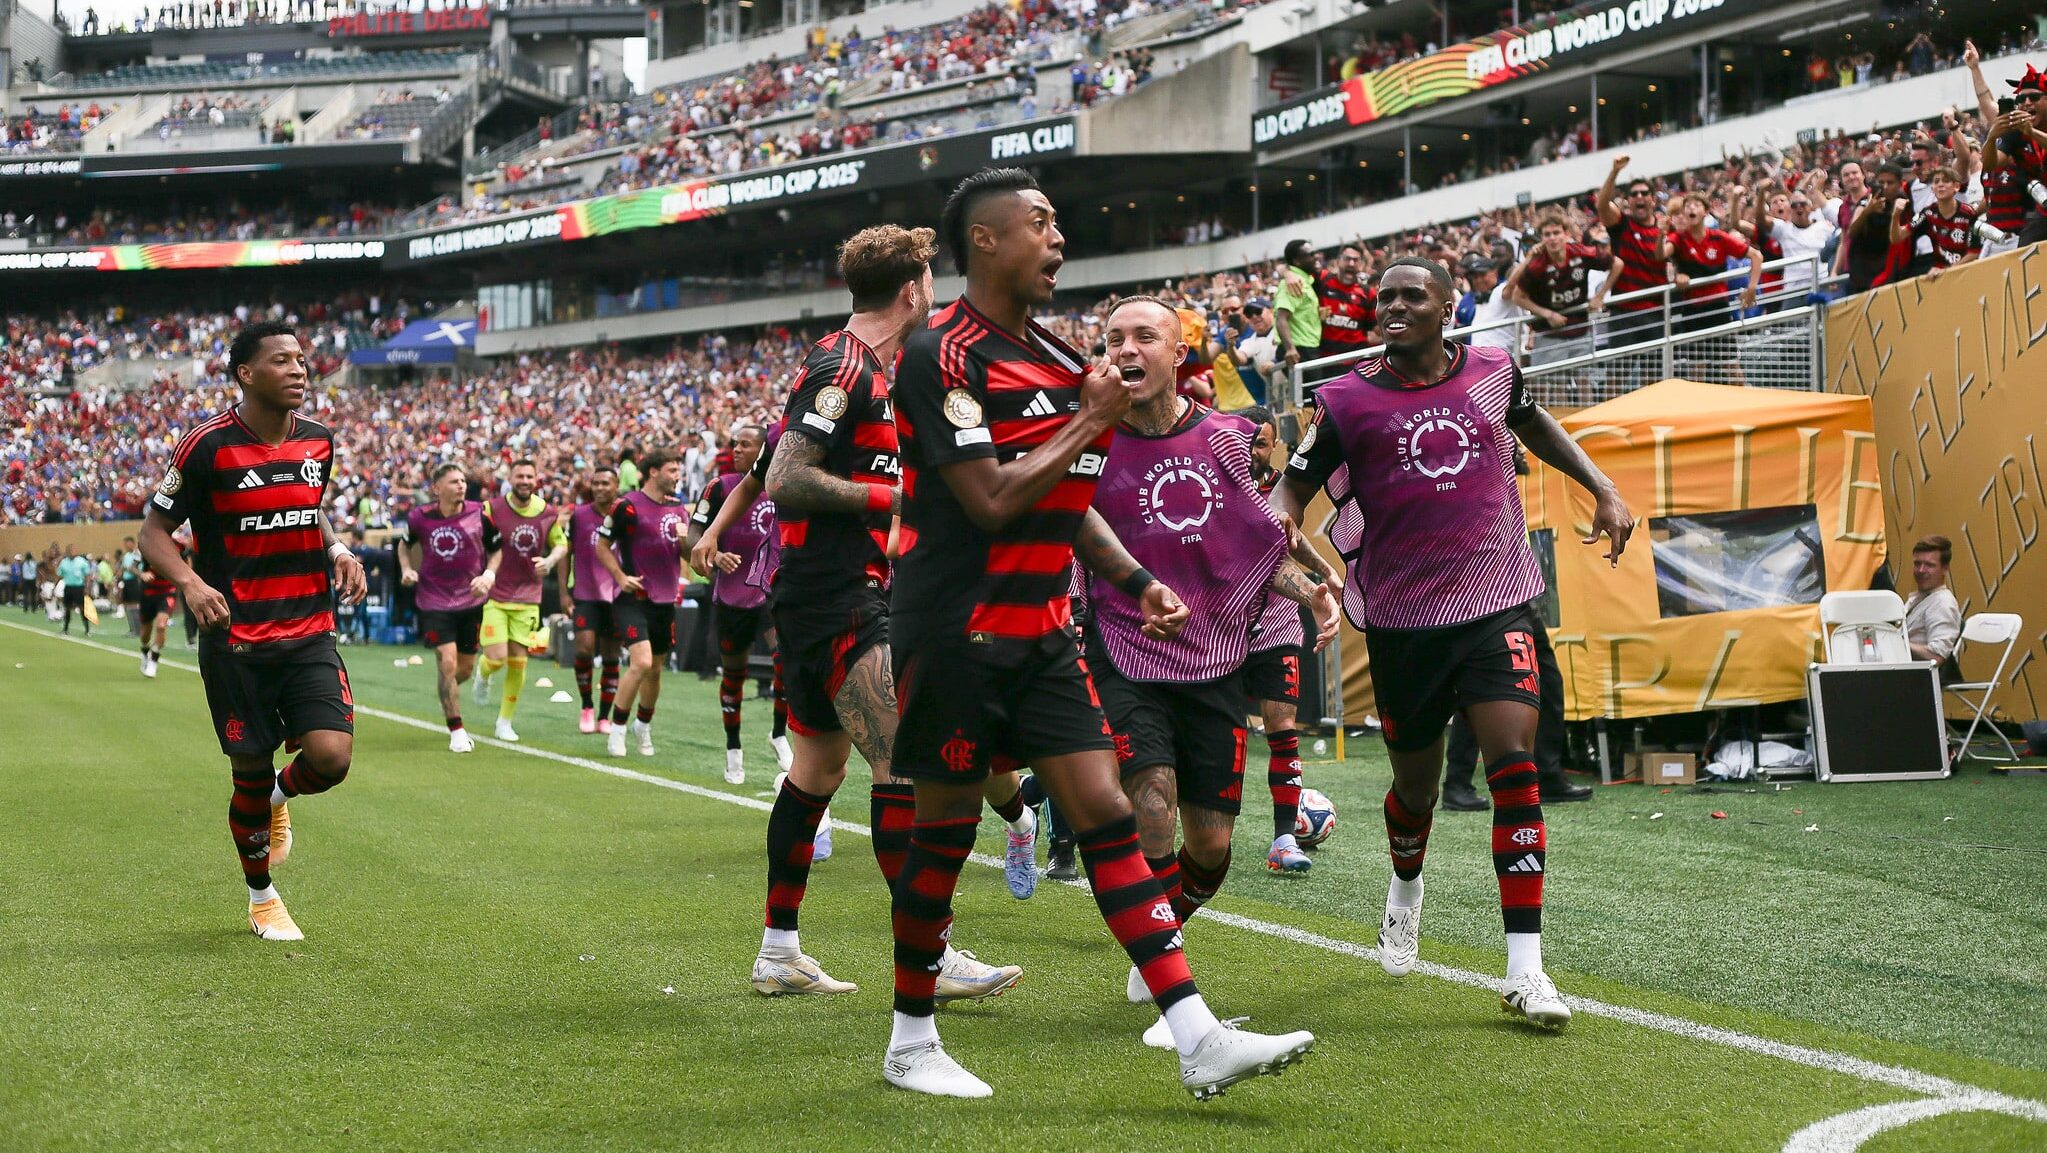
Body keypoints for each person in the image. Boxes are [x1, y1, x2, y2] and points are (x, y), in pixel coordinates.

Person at [885, 167, 1313, 1099]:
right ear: (986, 241)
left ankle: (1195, 1034)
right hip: (956, 631)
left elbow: (1064, 494)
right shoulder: (938, 355)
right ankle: (910, 1041)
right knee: (945, 834)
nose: (1058, 241)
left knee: (1113, 819)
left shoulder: (1048, 352)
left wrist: (1135, 577)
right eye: (1039, 225)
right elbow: (994, 497)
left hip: (1044, 631)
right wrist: (1089, 418)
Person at [1272, 256, 1635, 1029]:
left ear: (1447, 308)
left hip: (1495, 607)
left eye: (1412, 296)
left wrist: (1600, 486)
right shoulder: (1343, 400)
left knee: (1515, 771)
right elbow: (1292, 487)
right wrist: (1276, 526)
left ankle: (1525, 970)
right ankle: (1405, 890)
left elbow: (1533, 423)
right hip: (1404, 625)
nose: (1393, 307)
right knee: (1415, 793)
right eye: (1384, 298)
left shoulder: (1493, 372)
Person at [694, 225, 1027, 1005]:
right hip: (840, 594)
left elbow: (781, 466)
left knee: (816, 771)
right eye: (931, 283)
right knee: (901, 768)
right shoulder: (841, 365)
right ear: (911, 289)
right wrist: (894, 497)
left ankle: (778, 949)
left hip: (820, 594)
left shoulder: (869, 369)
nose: (936, 296)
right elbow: (785, 476)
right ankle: (931, 954)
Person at [1083, 295, 1340, 1051]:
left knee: (1211, 847)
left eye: (1143, 336)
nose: (1125, 348)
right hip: (1123, 650)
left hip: (1214, 659)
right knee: (1152, 805)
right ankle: (1177, 997)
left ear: (1177, 352)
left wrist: (1317, 590)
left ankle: (1157, 937)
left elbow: (1260, 551)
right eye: (1112, 339)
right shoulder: (1085, 441)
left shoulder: (1231, 438)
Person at [137, 318, 369, 942]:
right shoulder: (205, 446)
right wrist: (189, 582)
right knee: (246, 766)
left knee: (332, 757)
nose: (299, 369)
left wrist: (339, 547)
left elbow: (308, 507)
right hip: (236, 641)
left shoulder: (319, 442)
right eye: (283, 360)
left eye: (302, 358)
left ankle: (276, 796)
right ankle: (263, 896)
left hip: (309, 629)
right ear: (246, 373)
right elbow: (153, 533)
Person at [1235, 404, 1318, 872]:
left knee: (1282, 729)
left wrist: (1324, 578)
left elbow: (1288, 547)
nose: (1253, 451)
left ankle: (1284, 839)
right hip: (1219, 630)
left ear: (1275, 447)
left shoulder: (1288, 491)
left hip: (1279, 627)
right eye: (1246, 441)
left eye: (1262, 443)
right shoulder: (1214, 482)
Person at [686, 423, 791, 783]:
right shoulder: (720, 488)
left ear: (765, 449)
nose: (737, 450)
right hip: (732, 595)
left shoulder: (783, 483)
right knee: (734, 675)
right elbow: (693, 536)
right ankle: (734, 748)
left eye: (746, 445)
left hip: (771, 592)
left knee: (786, 663)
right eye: (735, 444)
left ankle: (779, 734)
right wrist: (713, 555)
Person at [398, 463, 499, 754]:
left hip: (471, 600)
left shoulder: (479, 513)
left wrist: (488, 576)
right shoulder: (420, 517)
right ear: (437, 488)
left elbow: (497, 549)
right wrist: (406, 569)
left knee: (463, 669)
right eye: (454, 481)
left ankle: (447, 691)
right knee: (447, 661)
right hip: (434, 600)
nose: (461, 486)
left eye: (462, 481)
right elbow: (405, 545)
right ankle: (457, 729)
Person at [595, 450, 689, 758]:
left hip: (665, 602)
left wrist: (686, 539)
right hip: (633, 598)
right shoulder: (627, 506)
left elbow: (689, 557)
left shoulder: (679, 509)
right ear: (652, 472)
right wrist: (620, 576)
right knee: (641, 662)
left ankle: (643, 726)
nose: (678, 475)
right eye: (672, 470)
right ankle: (617, 730)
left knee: (655, 671)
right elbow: (602, 544)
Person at [473, 459, 566, 743]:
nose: (525, 480)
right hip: (497, 595)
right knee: (497, 658)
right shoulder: (493, 509)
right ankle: (484, 673)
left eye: (529, 476)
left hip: (528, 597)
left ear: (536, 479)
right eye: (520, 476)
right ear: (510, 479)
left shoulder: (548, 513)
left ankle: (504, 721)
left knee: (518, 662)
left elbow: (561, 543)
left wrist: (549, 561)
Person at [560, 466, 625, 734]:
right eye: (596, 483)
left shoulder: (625, 513)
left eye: (605, 483)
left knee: (611, 655)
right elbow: (565, 553)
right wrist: (563, 591)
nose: (600, 488)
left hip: (617, 595)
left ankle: (604, 716)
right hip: (585, 593)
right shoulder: (579, 515)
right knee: (585, 648)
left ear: (616, 486)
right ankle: (586, 706)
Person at [1508, 213, 1618, 366]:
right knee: (1553, 387)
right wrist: (1548, 314)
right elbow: (1517, 297)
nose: (1552, 238)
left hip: (1580, 330)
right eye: (1547, 234)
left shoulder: (1580, 252)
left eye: (1556, 233)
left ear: (1566, 234)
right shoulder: (1536, 265)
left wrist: (1600, 296)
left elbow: (1617, 264)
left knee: (1584, 381)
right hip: (1549, 335)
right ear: (1542, 238)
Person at [1595, 156, 1671, 348]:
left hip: (1656, 310)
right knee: (1617, 374)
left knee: (1654, 374)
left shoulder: (1665, 229)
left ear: (1653, 200)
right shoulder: (1622, 224)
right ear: (1628, 200)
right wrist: (1614, 172)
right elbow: (1602, 205)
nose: (1639, 197)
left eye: (1644, 193)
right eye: (1634, 194)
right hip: (1623, 310)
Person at [1892, 165, 1982, 280]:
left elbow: (1974, 252)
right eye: (1936, 181)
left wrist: (1948, 271)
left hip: (1967, 272)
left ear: (1956, 186)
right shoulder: (1927, 213)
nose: (1940, 184)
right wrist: (1895, 215)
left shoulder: (1968, 213)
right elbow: (1897, 237)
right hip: (1940, 275)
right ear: (1932, 189)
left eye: (1946, 181)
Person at [1905, 535, 1962, 677]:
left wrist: (1897, 642)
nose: (1921, 570)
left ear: (1945, 569)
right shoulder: (1921, 598)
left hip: (1915, 682)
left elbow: (1936, 657)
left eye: (1929, 565)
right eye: (1917, 564)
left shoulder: (1943, 603)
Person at [1273, 238, 1323, 383]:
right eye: (1310, 254)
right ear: (1297, 261)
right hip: (1300, 350)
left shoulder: (1304, 280)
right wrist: (1290, 349)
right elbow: (1281, 318)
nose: (1316, 257)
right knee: (1309, 400)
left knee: (1311, 399)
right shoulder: (1292, 283)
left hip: (1308, 348)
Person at [1314, 244, 1375, 362]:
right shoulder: (1323, 279)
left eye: (1356, 260)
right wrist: (1288, 273)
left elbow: (1376, 328)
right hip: (1324, 362)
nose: (1351, 263)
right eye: (1347, 259)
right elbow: (1295, 269)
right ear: (1338, 261)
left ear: (1361, 264)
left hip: (1356, 364)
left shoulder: (1368, 293)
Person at [136, 548, 178, 678]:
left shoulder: (178, 547)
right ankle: (144, 651)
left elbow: (187, 566)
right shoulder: (146, 546)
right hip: (148, 592)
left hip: (167, 590)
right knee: (145, 632)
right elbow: (131, 566)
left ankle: (154, 659)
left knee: (161, 626)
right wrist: (141, 574)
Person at [56, 544, 91, 634]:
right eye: (70, 551)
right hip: (68, 587)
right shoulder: (64, 562)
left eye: (74, 550)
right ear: (67, 552)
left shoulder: (82, 561)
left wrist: (87, 587)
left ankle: (87, 629)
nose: (72, 552)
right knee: (67, 608)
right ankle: (65, 629)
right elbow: (59, 574)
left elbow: (87, 575)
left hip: (78, 587)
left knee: (82, 608)